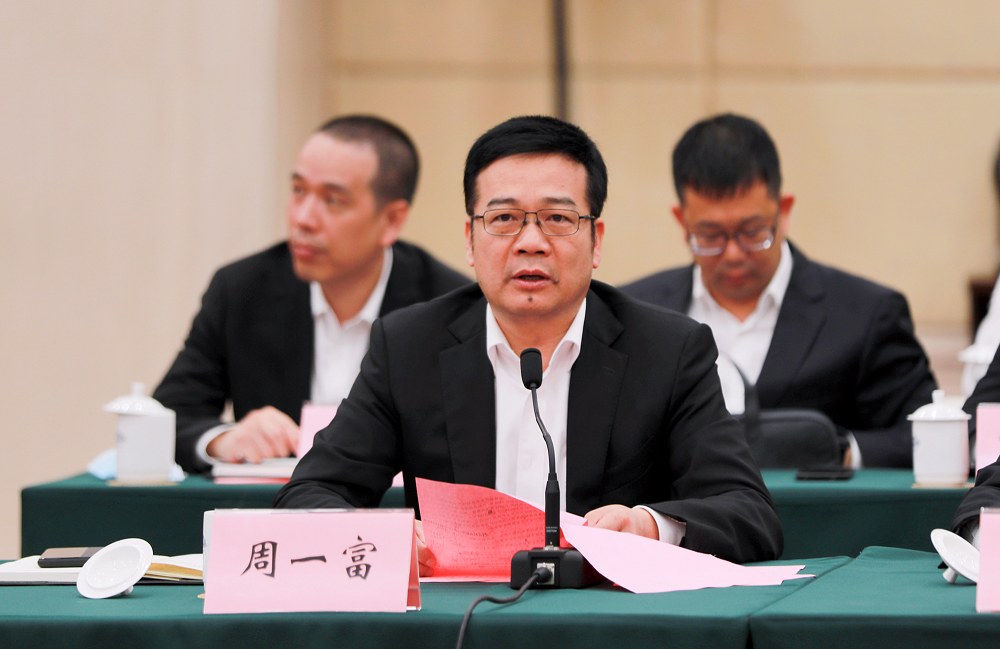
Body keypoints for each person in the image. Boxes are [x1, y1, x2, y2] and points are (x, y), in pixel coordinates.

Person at [274, 115, 783, 569]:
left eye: (558, 219)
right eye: (504, 219)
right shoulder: (409, 346)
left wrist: (649, 526)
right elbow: (309, 494)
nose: (531, 242)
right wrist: (382, 539)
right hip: (457, 621)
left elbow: (749, 515)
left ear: (597, 241)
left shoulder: (669, 351)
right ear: (470, 240)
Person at [154, 115, 470, 474]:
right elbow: (165, 417)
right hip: (277, 507)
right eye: (298, 191)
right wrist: (222, 439)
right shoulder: (243, 290)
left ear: (392, 220)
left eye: (333, 200)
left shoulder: (451, 309)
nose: (303, 219)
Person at [621, 113, 936, 468]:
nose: (733, 254)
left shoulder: (866, 315)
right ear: (682, 222)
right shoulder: (633, 313)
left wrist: (837, 451)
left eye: (752, 231)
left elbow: (929, 435)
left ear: (783, 212)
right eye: (710, 236)